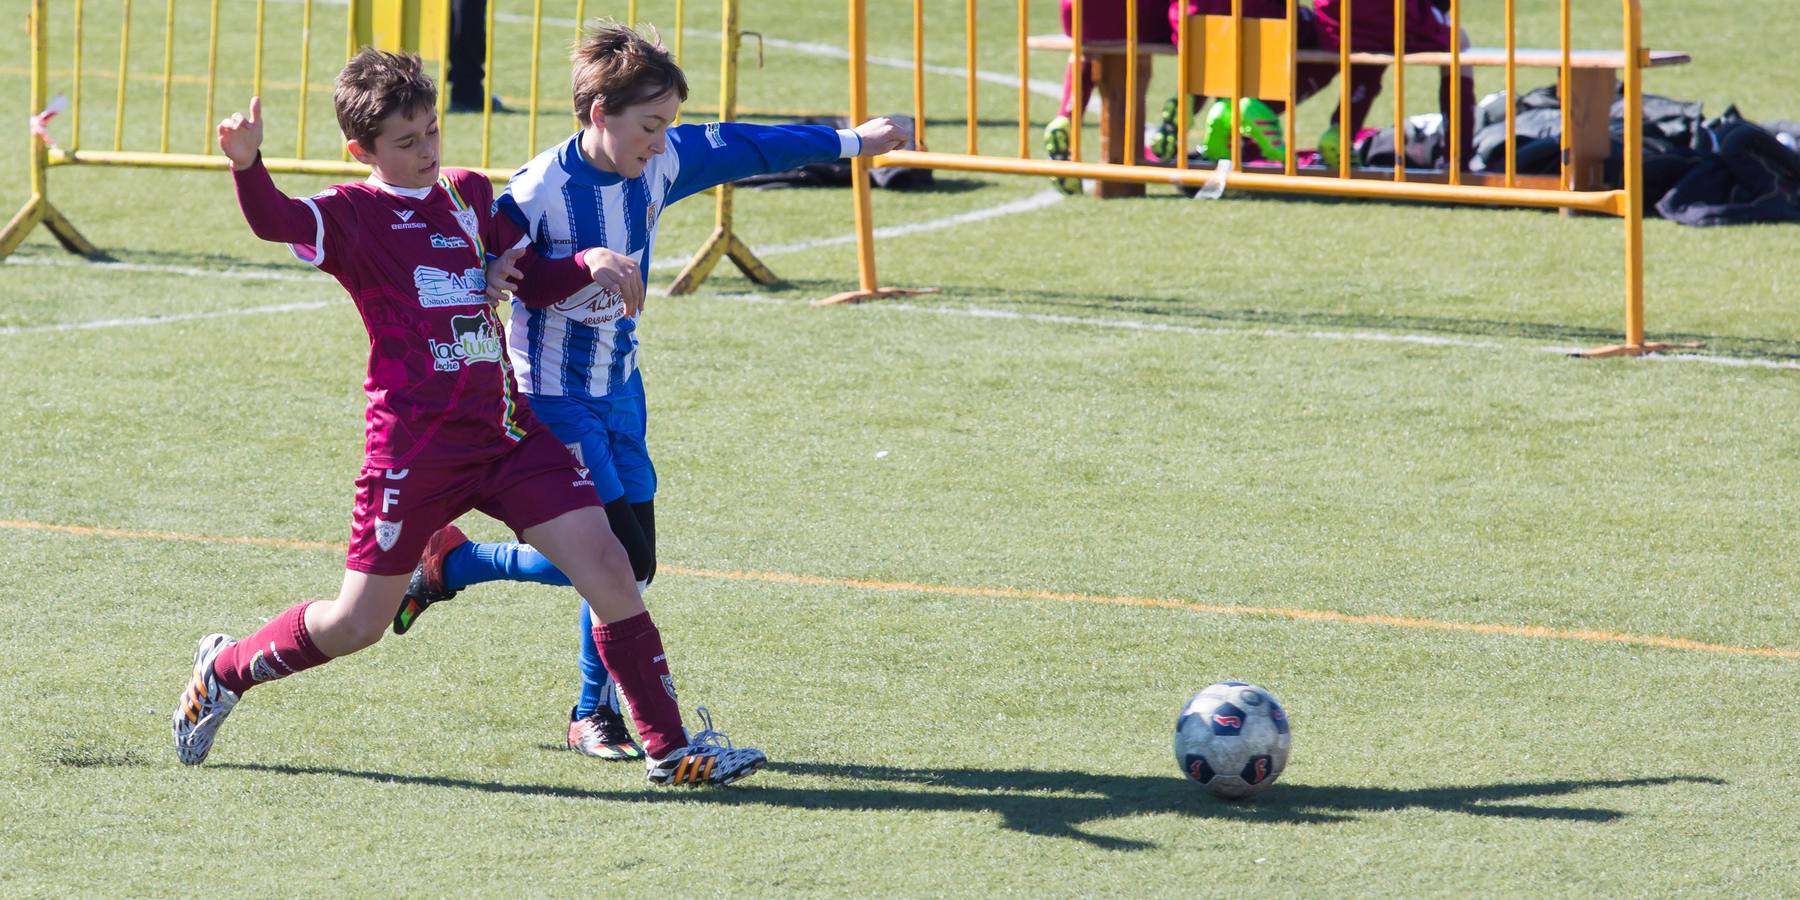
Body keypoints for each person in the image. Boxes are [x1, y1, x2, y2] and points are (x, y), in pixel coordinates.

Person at [171, 47, 767, 786]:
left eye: (431, 134)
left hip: (505, 434)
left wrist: (583, 266)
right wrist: (246, 165)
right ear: (362, 151)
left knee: (613, 566)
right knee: (356, 625)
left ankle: (672, 751)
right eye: (406, 142)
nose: (426, 152)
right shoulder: (353, 215)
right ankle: (225, 669)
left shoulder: (467, 194)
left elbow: (534, 279)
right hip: (414, 451)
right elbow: (275, 220)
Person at [387, 24, 910, 761]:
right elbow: (495, 267)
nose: (663, 142)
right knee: (617, 564)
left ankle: (456, 564)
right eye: (650, 126)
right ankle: (589, 713)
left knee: (635, 564)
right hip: (552, 396)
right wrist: (541, 268)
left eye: (668, 126)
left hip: (621, 389)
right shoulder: (539, 190)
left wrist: (853, 140)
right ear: (600, 114)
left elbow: (750, 146)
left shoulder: (660, 165)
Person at [1044, 0, 1170, 192]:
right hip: (1140, 15)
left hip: (1079, 11)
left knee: (1085, 47)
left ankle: (1066, 116)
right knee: (1199, 32)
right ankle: (1180, 117)